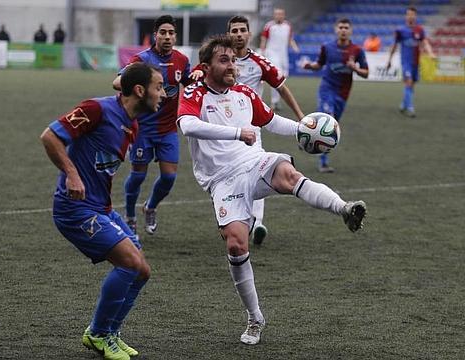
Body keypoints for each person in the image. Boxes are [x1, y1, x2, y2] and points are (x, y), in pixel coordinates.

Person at [177, 35, 367, 346]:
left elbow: (271, 121)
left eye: (234, 61)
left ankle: (344, 209)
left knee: (288, 175)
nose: (232, 66)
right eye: (223, 60)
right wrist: (238, 132)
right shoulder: (195, 91)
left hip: (252, 162)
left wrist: (304, 129)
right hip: (221, 180)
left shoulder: (244, 94)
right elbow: (187, 125)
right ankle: (255, 317)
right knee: (237, 246)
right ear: (207, 66)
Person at [40, 62, 166, 360]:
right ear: (139, 90)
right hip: (75, 210)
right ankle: (97, 333)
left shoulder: (132, 125)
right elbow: (49, 136)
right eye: (159, 87)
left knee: (142, 271)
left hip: (101, 208)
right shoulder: (96, 109)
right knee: (129, 263)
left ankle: (109, 332)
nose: (163, 94)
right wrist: (71, 174)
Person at [112, 15, 195, 237]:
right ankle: (130, 216)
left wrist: (197, 76)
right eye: (163, 33)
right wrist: (126, 81)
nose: (167, 37)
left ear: (175, 36)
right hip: (142, 129)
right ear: (155, 35)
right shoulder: (141, 60)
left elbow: (190, 84)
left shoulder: (181, 60)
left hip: (167, 129)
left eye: (171, 33)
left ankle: (150, 207)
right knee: (138, 175)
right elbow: (118, 81)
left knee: (169, 177)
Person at [226, 15, 304, 245]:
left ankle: (256, 222)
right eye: (235, 30)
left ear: (249, 34)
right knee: (230, 176)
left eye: (243, 30)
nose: (239, 34)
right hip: (224, 128)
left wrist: (300, 117)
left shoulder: (260, 62)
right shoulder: (220, 60)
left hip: (252, 128)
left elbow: (282, 88)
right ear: (228, 34)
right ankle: (238, 217)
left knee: (257, 169)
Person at [302, 18, 369, 173]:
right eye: (341, 27)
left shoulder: (357, 51)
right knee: (327, 118)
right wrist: (309, 66)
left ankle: (307, 137)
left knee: (332, 127)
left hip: (343, 93)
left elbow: (366, 73)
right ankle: (323, 162)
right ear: (336, 29)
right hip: (327, 88)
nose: (343, 30)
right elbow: (319, 64)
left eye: (346, 27)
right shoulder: (327, 47)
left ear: (350, 30)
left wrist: (355, 69)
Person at [385, 6, 435, 118]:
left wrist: (430, 53)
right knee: (408, 82)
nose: (410, 16)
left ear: (415, 16)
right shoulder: (400, 31)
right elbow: (394, 45)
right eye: (408, 14)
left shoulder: (420, 30)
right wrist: (389, 60)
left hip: (416, 62)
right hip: (406, 62)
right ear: (406, 16)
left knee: (412, 85)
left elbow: (425, 42)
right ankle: (410, 107)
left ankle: (403, 105)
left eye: (412, 14)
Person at [259, 8, 299, 111]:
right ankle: (274, 101)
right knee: (277, 76)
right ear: (274, 15)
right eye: (277, 14)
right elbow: (264, 39)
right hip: (272, 54)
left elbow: (290, 39)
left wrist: (294, 47)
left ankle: (276, 100)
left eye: (280, 14)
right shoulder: (269, 26)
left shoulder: (288, 26)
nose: (279, 16)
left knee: (283, 77)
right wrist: (262, 52)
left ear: (284, 15)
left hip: (283, 55)